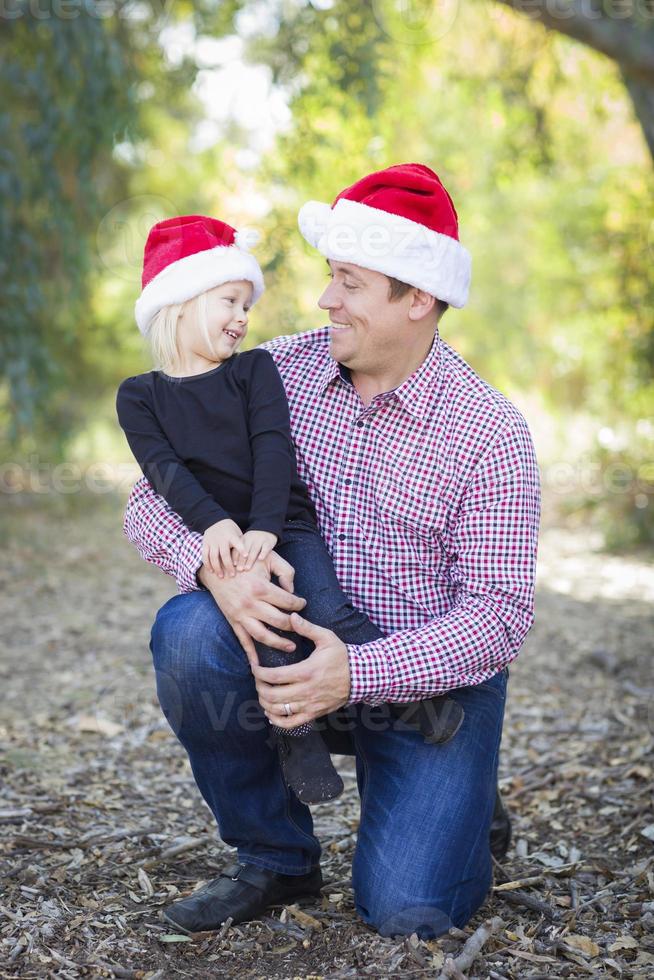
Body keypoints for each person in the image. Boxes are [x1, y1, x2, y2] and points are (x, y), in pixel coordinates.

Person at [122, 163, 540, 938]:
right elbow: (149, 499)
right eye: (328, 277)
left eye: (349, 283)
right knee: (188, 634)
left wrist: (357, 670)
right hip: (283, 653)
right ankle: (276, 857)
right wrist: (217, 572)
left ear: (417, 298)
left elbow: (502, 615)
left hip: (430, 691)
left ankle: (464, 798)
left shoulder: (490, 433)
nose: (324, 300)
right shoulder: (272, 371)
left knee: (409, 912)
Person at [117, 214, 464, 805]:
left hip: (285, 526)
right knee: (259, 637)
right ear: (180, 302)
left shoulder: (255, 369)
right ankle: (294, 755)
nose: (242, 317)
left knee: (324, 608)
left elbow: (272, 450)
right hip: (226, 542)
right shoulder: (140, 396)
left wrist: (264, 532)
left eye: (245, 304)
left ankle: (418, 704)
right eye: (229, 300)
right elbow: (161, 477)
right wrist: (213, 541)